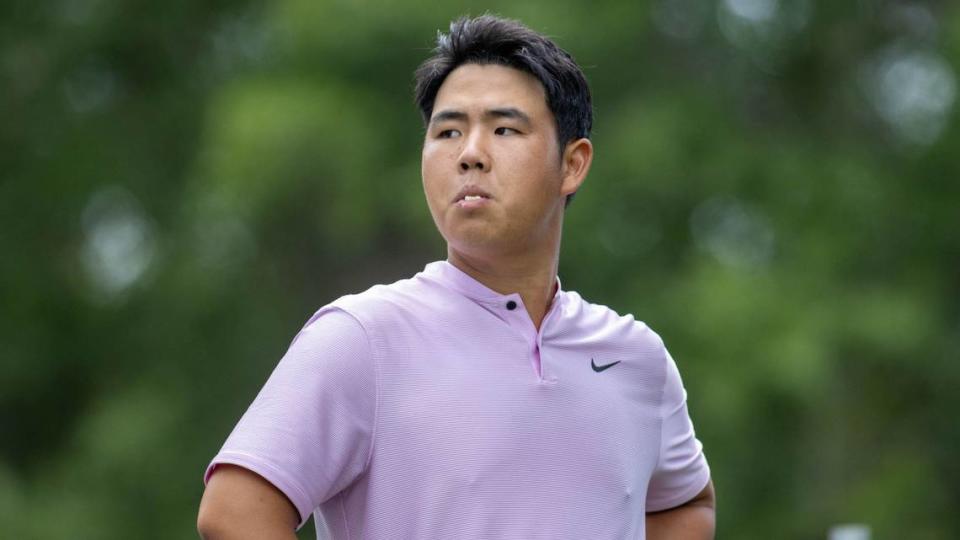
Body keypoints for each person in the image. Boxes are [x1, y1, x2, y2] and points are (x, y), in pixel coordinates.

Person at [197, 14, 715, 540]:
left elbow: (685, 504)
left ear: (572, 164)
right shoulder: (362, 338)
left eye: (504, 128)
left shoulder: (637, 360)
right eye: (448, 131)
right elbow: (234, 512)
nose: (469, 153)